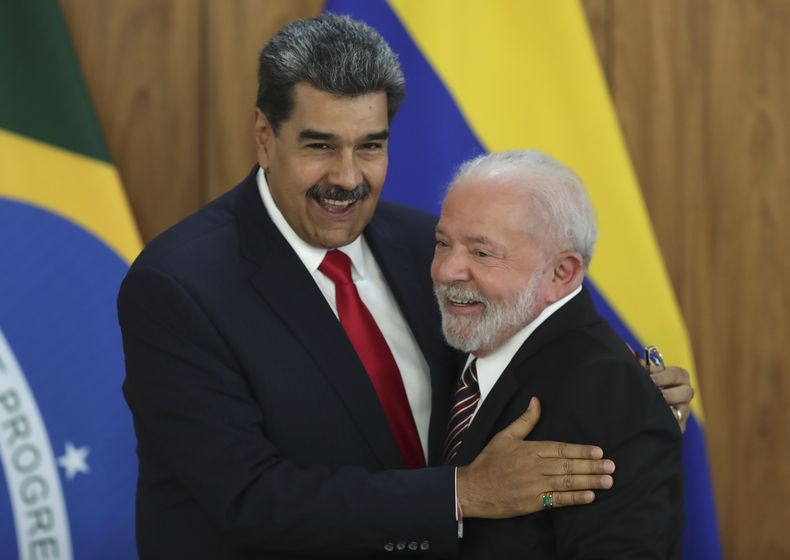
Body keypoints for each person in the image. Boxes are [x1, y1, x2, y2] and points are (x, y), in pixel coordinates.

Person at [118, 14, 691, 559]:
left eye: (370, 145)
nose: (347, 178)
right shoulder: (179, 286)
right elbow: (248, 497)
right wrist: (460, 495)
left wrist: (622, 398)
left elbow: (526, 353)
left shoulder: (428, 246)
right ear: (265, 137)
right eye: (320, 146)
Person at [433, 149, 684, 558]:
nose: (446, 270)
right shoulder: (464, 344)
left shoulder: (608, 391)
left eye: (482, 253)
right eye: (442, 243)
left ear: (561, 273)